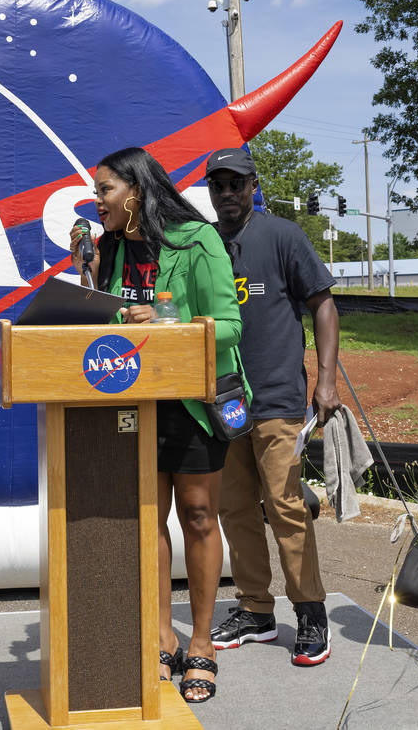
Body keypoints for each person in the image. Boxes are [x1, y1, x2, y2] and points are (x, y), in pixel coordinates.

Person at [69, 147, 242, 704]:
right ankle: (162, 634)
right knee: (149, 520)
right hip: (135, 399)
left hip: (191, 400)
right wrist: (91, 285)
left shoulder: (198, 240)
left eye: (105, 191)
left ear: (136, 192)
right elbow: (113, 315)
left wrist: (164, 322)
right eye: (97, 193)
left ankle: (202, 643)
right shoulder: (112, 249)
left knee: (196, 515)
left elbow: (231, 327)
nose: (97, 202)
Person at [205, 146, 340, 666]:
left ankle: (310, 613)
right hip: (221, 402)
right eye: (218, 185)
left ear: (253, 185)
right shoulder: (206, 244)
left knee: (285, 507)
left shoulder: (282, 235)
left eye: (236, 183)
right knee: (235, 508)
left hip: (278, 398)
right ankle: (257, 611)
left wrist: (325, 383)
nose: (227, 193)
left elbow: (323, 305)